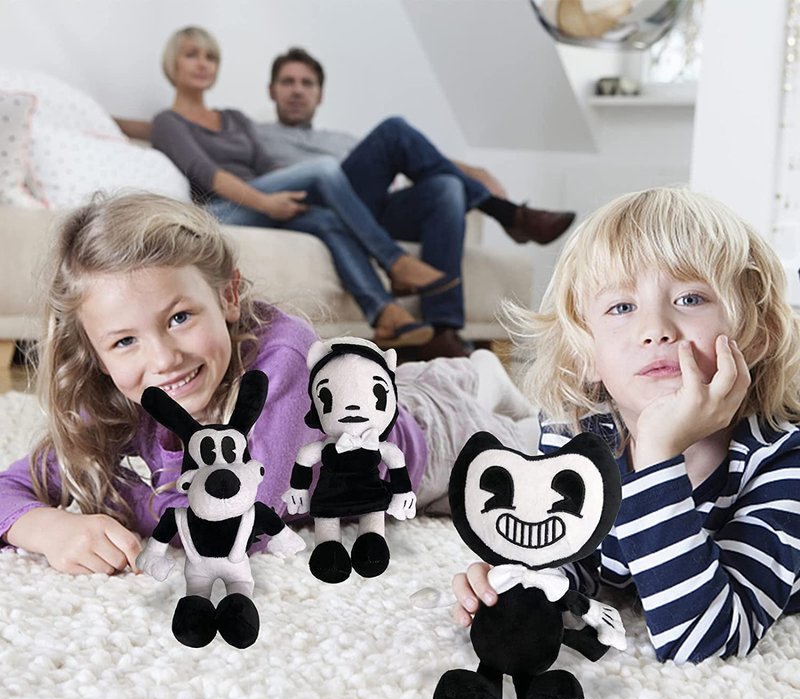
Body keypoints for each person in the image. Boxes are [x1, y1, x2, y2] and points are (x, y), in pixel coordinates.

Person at [0, 192, 540, 575]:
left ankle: (474, 385)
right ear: (95, 356)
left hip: (427, 442)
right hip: (350, 396)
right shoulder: (118, 403)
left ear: (228, 296)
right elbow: (9, 488)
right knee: (376, 381)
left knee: (530, 457)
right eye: (124, 341)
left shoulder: (283, 358)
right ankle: (470, 373)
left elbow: (252, 517)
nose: (162, 359)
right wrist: (49, 528)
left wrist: (129, 501)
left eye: (180, 317)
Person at [452, 186, 800, 664]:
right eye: (621, 307)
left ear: (756, 338)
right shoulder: (578, 433)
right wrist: (520, 583)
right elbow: (572, 554)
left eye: (690, 298)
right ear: (585, 354)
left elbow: (705, 641)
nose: (655, 329)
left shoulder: (781, 461)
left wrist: (658, 454)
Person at [255, 47, 577, 359]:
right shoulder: (256, 135)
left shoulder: (340, 141)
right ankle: (507, 214)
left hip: (364, 210)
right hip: (313, 205)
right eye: (288, 82)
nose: (297, 91)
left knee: (447, 187)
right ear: (271, 90)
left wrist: (472, 172)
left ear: (320, 95)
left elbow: (417, 155)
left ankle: (442, 331)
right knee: (393, 130)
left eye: (307, 83)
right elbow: (245, 186)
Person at [151, 26, 459, 351]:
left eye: (210, 57)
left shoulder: (235, 118)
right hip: (221, 210)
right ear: (173, 63)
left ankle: (385, 313)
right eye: (192, 55)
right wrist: (268, 202)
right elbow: (210, 175)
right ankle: (394, 261)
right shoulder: (167, 122)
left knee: (326, 219)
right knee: (323, 169)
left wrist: (291, 192)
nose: (203, 63)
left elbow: (267, 166)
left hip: (262, 200)